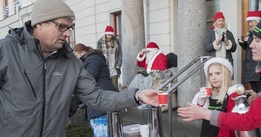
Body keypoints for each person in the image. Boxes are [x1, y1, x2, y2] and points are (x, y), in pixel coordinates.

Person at [0, 0, 159, 136]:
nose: (68, 33)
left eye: (70, 27)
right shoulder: (6, 50)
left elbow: (97, 97)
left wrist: (137, 95)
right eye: (62, 26)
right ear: (39, 24)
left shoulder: (71, 62)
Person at [191, 57, 244, 137]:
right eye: (210, 74)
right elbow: (196, 114)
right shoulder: (207, 92)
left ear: (226, 73)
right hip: (207, 133)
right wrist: (201, 101)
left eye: (217, 73)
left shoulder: (233, 93)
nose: (213, 78)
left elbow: (234, 120)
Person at [73, 43, 117, 136]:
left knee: (102, 131)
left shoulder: (93, 59)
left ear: (82, 53)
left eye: (76, 55)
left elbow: (88, 79)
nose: (76, 58)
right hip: (102, 100)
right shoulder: (92, 59)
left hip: (101, 101)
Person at [238, 10, 261, 93]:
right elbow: (249, 48)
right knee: (254, 86)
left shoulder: (259, 32)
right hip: (250, 62)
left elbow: (257, 46)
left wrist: (248, 40)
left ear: (257, 21)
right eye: (249, 22)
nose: (250, 24)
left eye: (251, 22)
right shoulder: (252, 32)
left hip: (255, 63)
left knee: (258, 87)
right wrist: (243, 44)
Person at [97, 25, 122, 92]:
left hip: (115, 66)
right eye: (108, 35)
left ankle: (118, 99)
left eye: (111, 35)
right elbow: (98, 54)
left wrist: (119, 64)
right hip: (105, 66)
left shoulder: (116, 41)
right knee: (107, 86)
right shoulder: (100, 42)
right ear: (105, 34)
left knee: (115, 85)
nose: (109, 37)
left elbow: (119, 53)